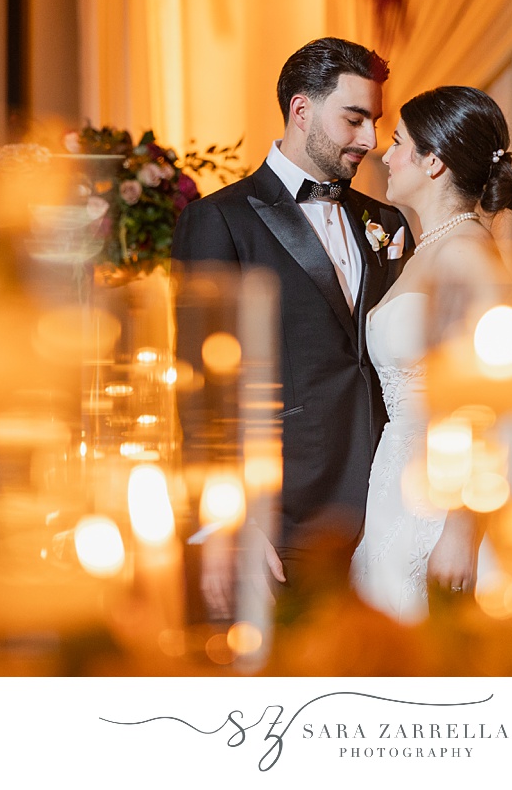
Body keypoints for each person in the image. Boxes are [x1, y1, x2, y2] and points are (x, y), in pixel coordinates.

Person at [172, 37, 411, 619]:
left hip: (387, 508)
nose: (369, 141)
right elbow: (202, 389)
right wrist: (229, 523)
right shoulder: (218, 219)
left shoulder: (387, 221)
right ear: (301, 111)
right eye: (353, 119)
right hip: (282, 518)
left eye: (374, 122)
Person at [350, 85, 512, 623]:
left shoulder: (468, 254)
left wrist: (460, 529)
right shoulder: (427, 247)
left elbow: (490, 397)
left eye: (399, 142)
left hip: (444, 495)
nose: (385, 154)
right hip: (398, 476)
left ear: (433, 162)